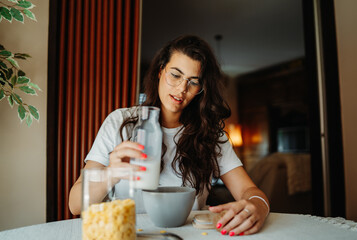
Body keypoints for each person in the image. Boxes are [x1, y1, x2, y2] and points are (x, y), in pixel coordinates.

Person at [69, 35, 269, 236]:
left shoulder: (210, 134)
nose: (182, 89)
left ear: (201, 89)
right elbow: (75, 205)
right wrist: (110, 173)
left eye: (193, 82)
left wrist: (258, 208)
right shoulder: (120, 122)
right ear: (160, 71)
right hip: (128, 234)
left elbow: (249, 192)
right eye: (175, 75)